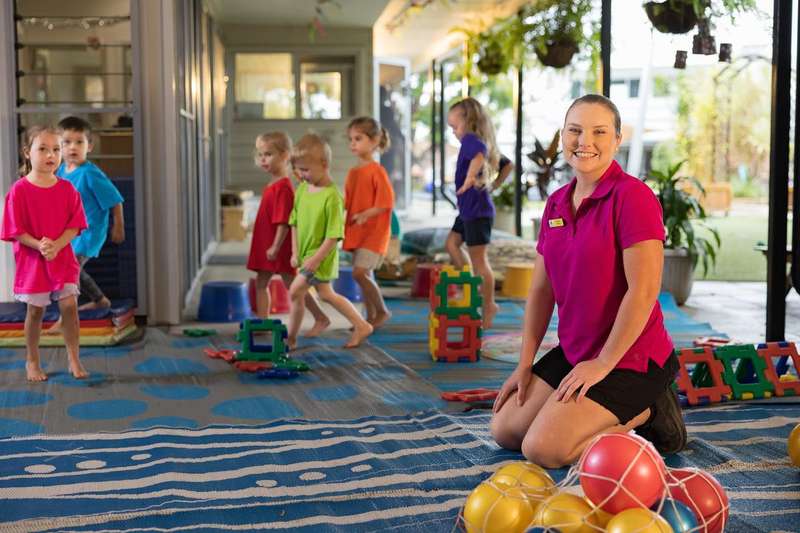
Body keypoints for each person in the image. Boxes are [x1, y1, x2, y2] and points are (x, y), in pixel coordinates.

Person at [489, 94, 686, 468]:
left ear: (616, 139)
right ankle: (579, 413)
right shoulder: (557, 203)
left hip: (631, 358)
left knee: (543, 449)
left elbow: (643, 292)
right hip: (577, 350)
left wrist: (603, 364)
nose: (585, 142)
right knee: (506, 430)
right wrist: (525, 364)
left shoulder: (634, 197)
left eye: (599, 132)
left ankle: (648, 413)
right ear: (563, 136)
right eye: (575, 131)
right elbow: (542, 290)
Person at [1, 126, 88, 381]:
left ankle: (74, 358)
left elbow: (75, 225)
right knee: (35, 311)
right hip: (32, 261)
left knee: (70, 306)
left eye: (55, 149)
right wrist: (39, 245)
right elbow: (15, 230)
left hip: (61, 257)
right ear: (28, 153)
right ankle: (32, 360)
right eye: (43, 149)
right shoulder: (19, 190)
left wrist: (57, 245)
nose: (51, 154)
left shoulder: (67, 189)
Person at [286, 133, 373, 349]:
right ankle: (360, 325)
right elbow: (294, 222)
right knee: (326, 294)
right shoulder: (302, 190)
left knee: (295, 292)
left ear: (323, 165)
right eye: (298, 169)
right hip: (305, 255)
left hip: (321, 256)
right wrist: (295, 252)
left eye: (305, 169)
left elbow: (334, 236)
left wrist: (315, 260)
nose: (301, 175)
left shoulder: (332, 196)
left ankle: (291, 338)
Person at [246, 132, 330, 335]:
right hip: (266, 242)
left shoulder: (283, 188)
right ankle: (263, 322)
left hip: (278, 245)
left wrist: (275, 246)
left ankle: (320, 317)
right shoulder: (272, 185)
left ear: (284, 156)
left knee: (292, 284)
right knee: (261, 282)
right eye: (260, 154)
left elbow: (284, 221)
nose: (263, 159)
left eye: (268, 154)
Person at [55, 116, 124, 312]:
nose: (72, 148)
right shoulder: (61, 171)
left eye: (79, 142)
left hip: (89, 232)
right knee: (71, 267)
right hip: (70, 233)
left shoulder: (90, 174)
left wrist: (117, 226)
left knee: (70, 268)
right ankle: (99, 299)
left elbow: (115, 200)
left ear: (89, 146)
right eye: (66, 142)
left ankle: (67, 313)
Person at [445, 97, 501, 329]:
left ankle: (489, 304)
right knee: (451, 244)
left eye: (455, 126)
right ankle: (469, 284)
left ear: (467, 121)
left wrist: (470, 178)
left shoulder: (471, 139)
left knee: (480, 261)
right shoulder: (470, 141)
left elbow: (480, 154)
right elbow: (502, 163)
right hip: (468, 211)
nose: (455, 132)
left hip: (477, 213)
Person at [343, 117, 395, 329]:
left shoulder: (377, 171)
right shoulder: (353, 172)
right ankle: (370, 316)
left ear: (374, 141)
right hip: (358, 232)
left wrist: (366, 214)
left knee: (359, 273)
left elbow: (386, 202)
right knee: (365, 274)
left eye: (358, 139)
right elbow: (348, 201)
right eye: (351, 139)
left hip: (374, 232)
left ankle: (382, 311)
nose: (352, 143)